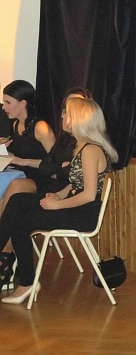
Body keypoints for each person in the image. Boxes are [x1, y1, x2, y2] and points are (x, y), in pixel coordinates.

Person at [0, 97, 116, 304]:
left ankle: (27, 283)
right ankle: (23, 277)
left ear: (78, 119)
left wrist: (58, 204)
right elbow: (76, 184)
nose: (62, 117)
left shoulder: (90, 150)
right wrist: (59, 195)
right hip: (74, 204)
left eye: (66, 113)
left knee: (21, 223)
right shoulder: (81, 147)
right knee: (17, 200)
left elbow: (89, 194)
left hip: (82, 213)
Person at [0, 81, 56, 217]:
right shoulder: (16, 124)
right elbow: (18, 157)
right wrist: (3, 149)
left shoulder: (41, 127)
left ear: (23, 103)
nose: (3, 107)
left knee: (15, 186)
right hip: (23, 175)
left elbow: (55, 163)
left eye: (8, 102)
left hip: (42, 180)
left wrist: (24, 161)